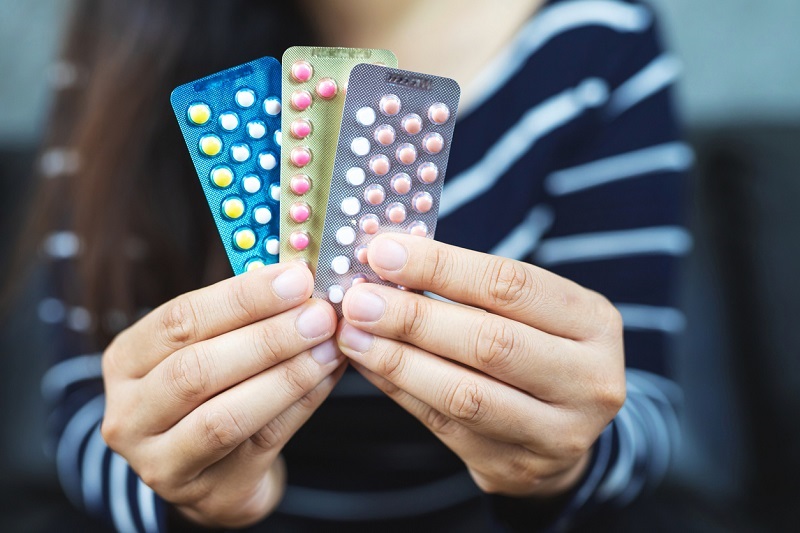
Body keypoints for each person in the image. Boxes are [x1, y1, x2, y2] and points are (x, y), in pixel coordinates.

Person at [31, 0, 690, 530]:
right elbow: (87, 415)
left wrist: (561, 465)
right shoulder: (130, 38)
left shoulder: (598, 42)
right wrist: (183, 496)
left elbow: (644, 409)